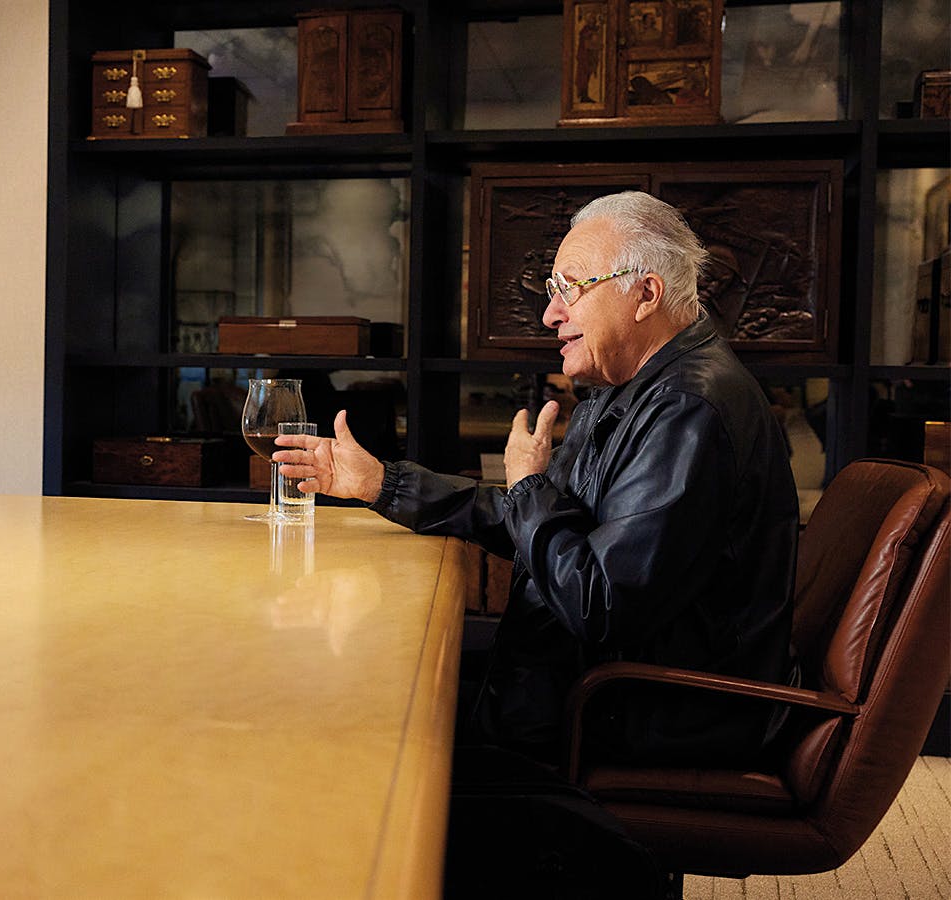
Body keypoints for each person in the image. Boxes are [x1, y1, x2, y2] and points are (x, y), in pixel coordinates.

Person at [276, 191, 798, 767]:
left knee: (369, 718)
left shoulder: (688, 410)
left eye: (570, 288)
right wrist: (382, 484)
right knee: (383, 677)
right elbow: (545, 528)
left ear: (646, 294)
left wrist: (529, 486)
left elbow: (598, 603)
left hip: (641, 711)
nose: (550, 314)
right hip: (594, 684)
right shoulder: (627, 387)